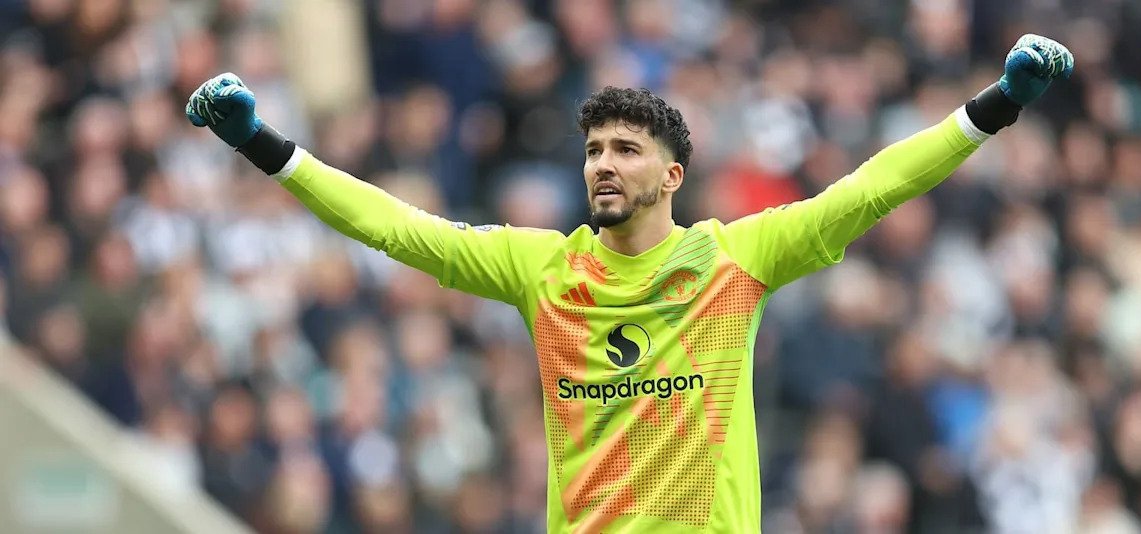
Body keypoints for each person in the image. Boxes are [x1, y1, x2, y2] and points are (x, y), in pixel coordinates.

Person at [185, 34, 1074, 533]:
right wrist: (264, 145)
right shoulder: (541, 269)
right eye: (592, 150)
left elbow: (870, 190)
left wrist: (994, 106)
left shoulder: (735, 260)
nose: (602, 164)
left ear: (673, 175)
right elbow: (393, 228)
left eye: (625, 149)